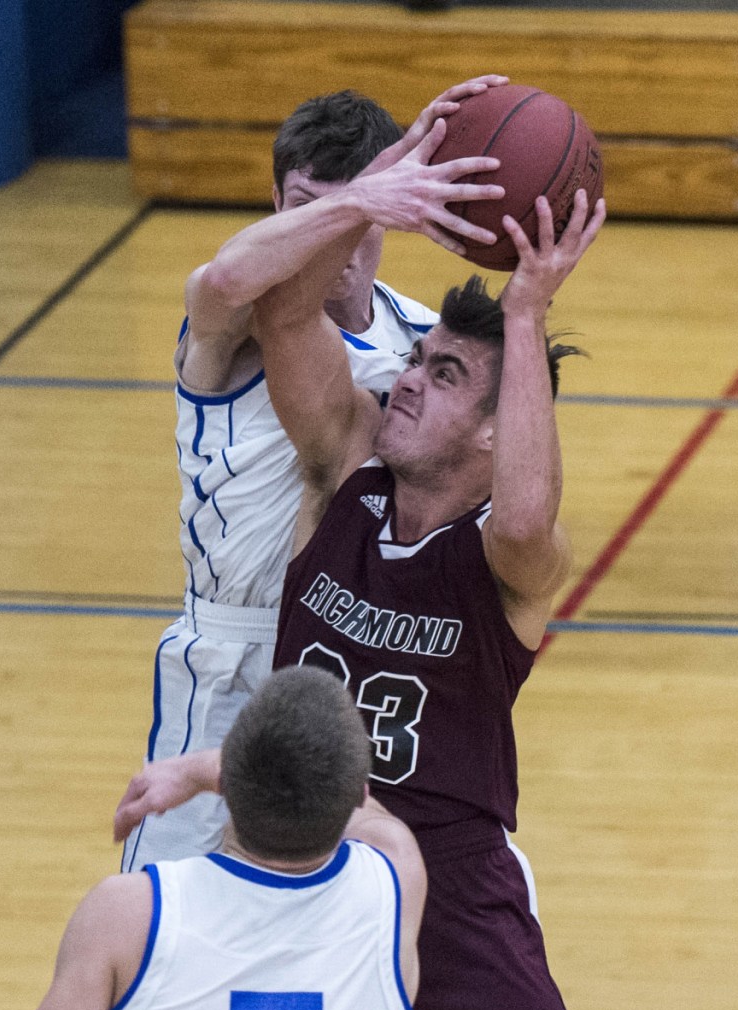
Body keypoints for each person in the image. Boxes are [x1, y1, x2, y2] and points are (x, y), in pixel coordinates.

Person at [115, 155, 605, 1010]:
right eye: (418, 359)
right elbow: (284, 308)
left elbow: (527, 519)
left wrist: (526, 310)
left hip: (449, 872)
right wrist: (365, 199)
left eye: (444, 375)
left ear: (495, 432)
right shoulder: (345, 471)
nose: (407, 377)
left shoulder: (506, 563)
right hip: (301, 850)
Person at [122, 76, 509, 871]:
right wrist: (364, 198)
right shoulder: (231, 314)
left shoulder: (418, 334)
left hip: (360, 658)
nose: (329, 234)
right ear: (274, 201)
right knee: (177, 936)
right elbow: (225, 282)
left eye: (359, 209)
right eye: (304, 204)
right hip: (231, 653)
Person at [32, 666, 427, 1010]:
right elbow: (364, 810)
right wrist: (206, 772)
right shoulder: (394, 881)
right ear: (359, 793)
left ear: (226, 784)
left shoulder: (124, 915)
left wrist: (201, 768)